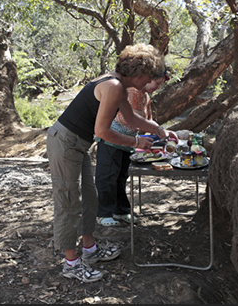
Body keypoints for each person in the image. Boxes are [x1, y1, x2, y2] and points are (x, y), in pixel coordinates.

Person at [46, 43, 177, 283]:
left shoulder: (119, 85)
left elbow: (130, 118)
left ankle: (90, 249)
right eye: (150, 76)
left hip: (77, 145)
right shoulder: (114, 86)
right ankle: (71, 264)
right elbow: (103, 131)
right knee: (69, 202)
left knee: (89, 196)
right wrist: (136, 141)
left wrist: (159, 130)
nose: (150, 81)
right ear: (139, 73)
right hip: (65, 142)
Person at [95, 74, 173, 227]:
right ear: (146, 78)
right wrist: (152, 127)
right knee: (108, 177)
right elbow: (129, 117)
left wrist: (161, 131)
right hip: (112, 138)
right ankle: (103, 213)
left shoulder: (146, 97)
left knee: (121, 177)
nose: (157, 88)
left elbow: (147, 119)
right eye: (156, 83)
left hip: (129, 141)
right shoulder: (131, 91)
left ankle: (121, 210)